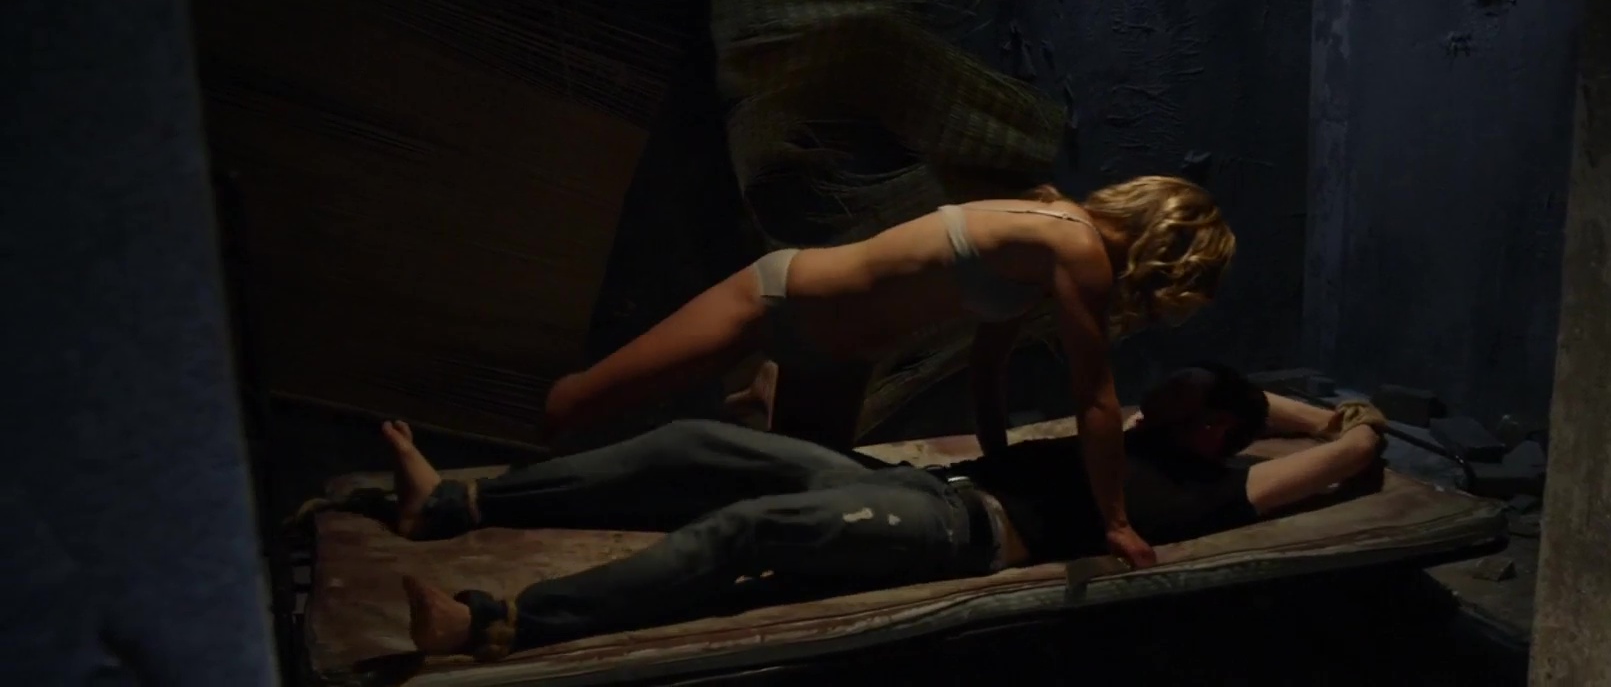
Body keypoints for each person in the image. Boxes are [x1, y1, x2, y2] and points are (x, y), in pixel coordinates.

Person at [383, 363, 1388, 661]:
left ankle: (496, 623)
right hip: (917, 486)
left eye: (1182, 394)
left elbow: (1344, 451)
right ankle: (455, 501)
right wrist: (1280, 404)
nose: (1154, 391)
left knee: (746, 529)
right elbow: (1259, 405)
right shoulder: (1130, 434)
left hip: (956, 534)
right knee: (693, 445)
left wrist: (1346, 421)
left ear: (1210, 429)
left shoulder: (1213, 488)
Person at [544, 175, 1237, 568]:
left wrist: (998, 456)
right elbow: (1095, 399)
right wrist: (1116, 522)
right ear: (1166, 251)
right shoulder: (1075, 245)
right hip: (774, 302)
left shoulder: (1052, 248)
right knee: (575, 404)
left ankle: (767, 392)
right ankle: (481, 485)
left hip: (841, 358)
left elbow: (988, 364)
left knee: (785, 487)